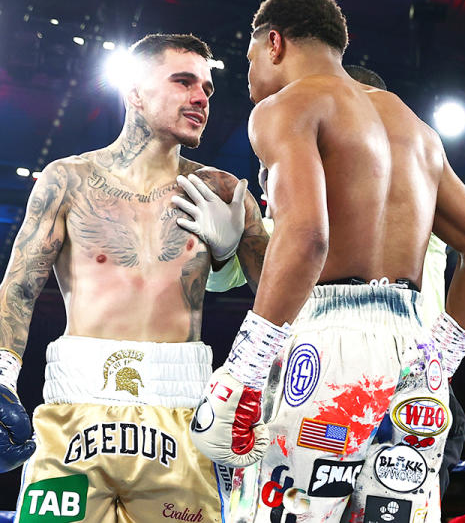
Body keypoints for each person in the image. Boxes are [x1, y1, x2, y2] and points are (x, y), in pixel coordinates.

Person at [187, 0, 465, 523]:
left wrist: (243, 369)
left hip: (324, 349)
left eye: (248, 58)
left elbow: (307, 237)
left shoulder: (288, 106)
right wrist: (437, 359)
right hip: (417, 354)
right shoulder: (416, 129)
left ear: (273, 42)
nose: (247, 78)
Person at [0, 33, 268, 522]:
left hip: (183, 413)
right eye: (183, 81)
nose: (200, 98)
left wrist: (231, 257)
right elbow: (19, 285)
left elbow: (282, 299)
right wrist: (1, 378)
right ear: (135, 92)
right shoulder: (68, 180)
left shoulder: (223, 192)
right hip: (75, 410)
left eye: (207, 89)